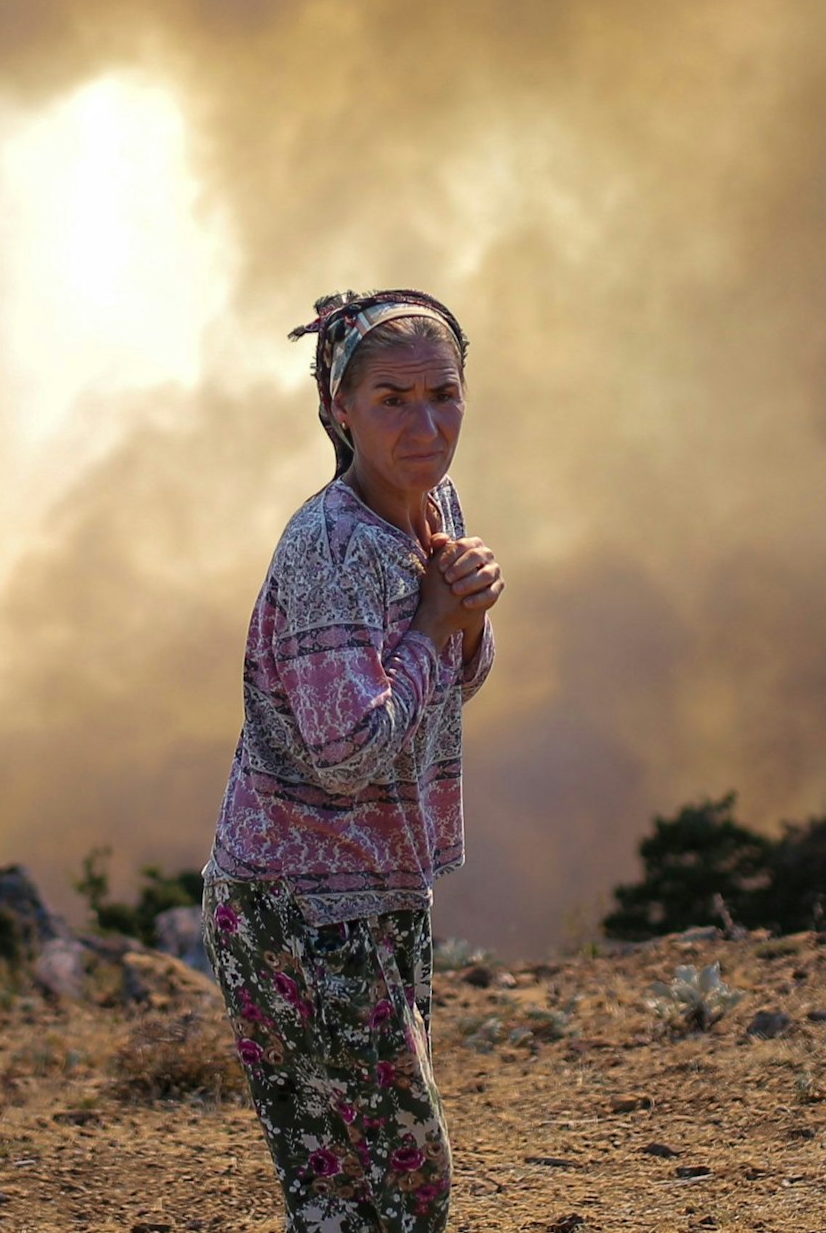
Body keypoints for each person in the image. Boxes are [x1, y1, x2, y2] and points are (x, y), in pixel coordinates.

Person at [200, 289, 503, 1232]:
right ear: (339, 410)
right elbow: (348, 752)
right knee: (402, 1182)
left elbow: (446, 684)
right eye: (392, 400)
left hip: (373, 892)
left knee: (351, 1195)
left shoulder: (429, 505)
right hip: (298, 910)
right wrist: (435, 624)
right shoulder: (329, 549)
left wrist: (467, 621)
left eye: (443, 394)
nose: (426, 425)